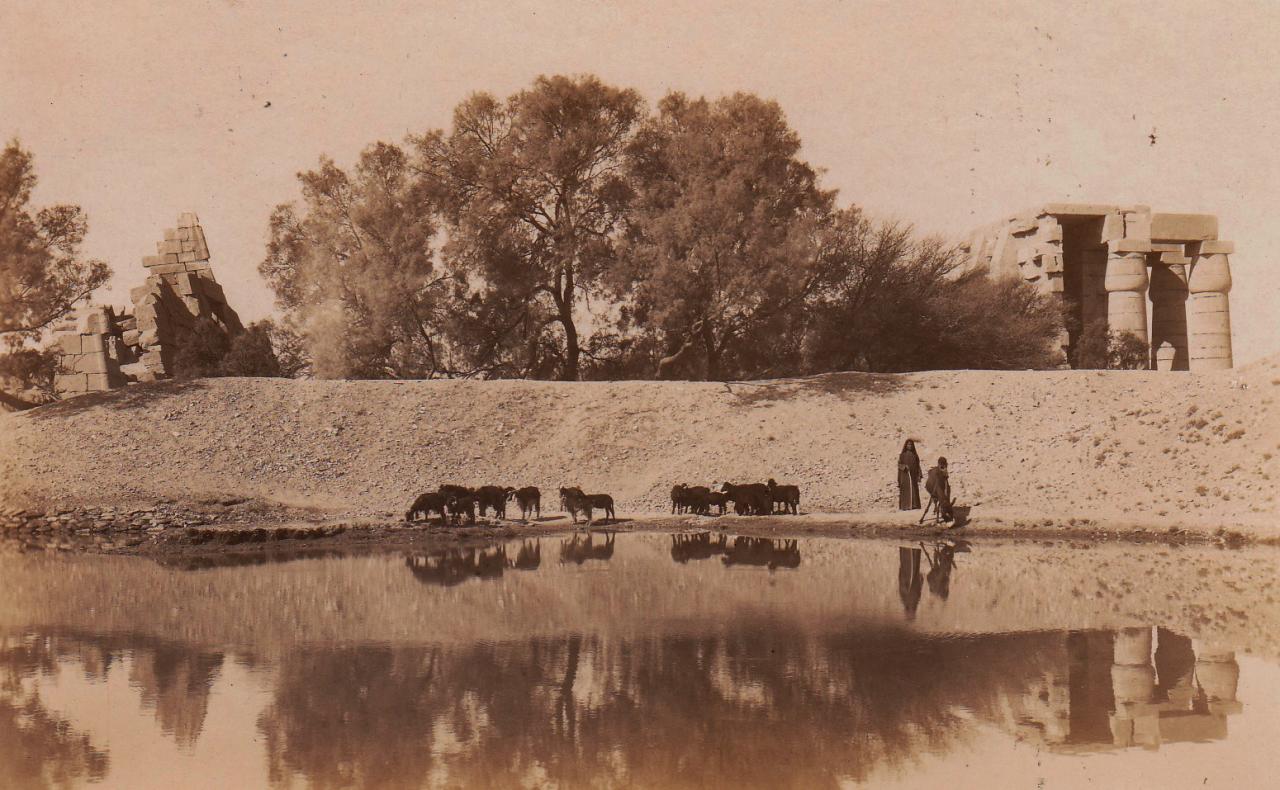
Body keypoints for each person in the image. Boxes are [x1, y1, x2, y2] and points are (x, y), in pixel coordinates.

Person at [920, 457, 953, 524]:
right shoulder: (935, 471)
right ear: (938, 464)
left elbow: (946, 479)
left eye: (944, 465)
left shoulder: (944, 470)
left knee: (943, 496)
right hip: (934, 488)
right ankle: (939, 512)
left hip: (940, 489)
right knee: (938, 497)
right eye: (941, 464)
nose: (942, 466)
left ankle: (942, 513)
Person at [897, 440, 922, 510]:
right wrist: (904, 467)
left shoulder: (915, 455)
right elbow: (899, 465)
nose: (910, 446)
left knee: (914, 490)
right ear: (906, 446)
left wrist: (919, 475)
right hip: (905, 476)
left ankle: (915, 505)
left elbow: (918, 466)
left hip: (913, 475)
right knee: (905, 490)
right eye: (908, 445)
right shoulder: (902, 455)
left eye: (911, 445)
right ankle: (905, 506)